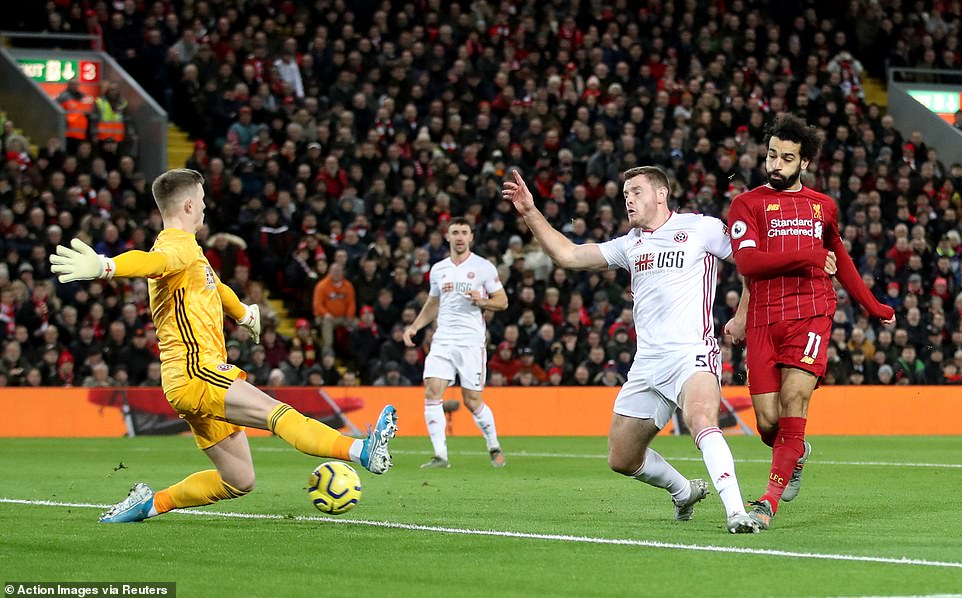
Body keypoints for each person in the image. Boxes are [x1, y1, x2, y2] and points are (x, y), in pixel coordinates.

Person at [49, 168, 397, 523]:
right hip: (197, 369)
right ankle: (362, 451)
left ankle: (149, 503)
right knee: (276, 414)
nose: (204, 207)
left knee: (238, 480)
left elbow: (217, 286)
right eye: (201, 200)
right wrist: (106, 266)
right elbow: (153, 263)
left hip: (185, 381)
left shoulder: (191, 253)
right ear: (187, 204)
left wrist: (245, 314)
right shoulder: (175, 245)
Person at [502, 166, 758, 534]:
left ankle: (736, 512)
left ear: (661, 194)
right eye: (625, 195)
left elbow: (750, 262)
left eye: (636, 192)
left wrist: (743, 315)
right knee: (621, 457)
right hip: (646, 364)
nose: (629, 200)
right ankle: (683, 490)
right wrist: (529, 211)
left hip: (692, 353)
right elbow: (569, 256)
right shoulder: (629, 244)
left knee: (701, 419)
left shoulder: (701, 228)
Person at [725, 114, 896, 530]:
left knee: (794, 401)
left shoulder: (823, 207)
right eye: (771, 155)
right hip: (765, 320)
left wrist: (873, 306)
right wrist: (807, 256)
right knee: (769, 423)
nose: (776, 164)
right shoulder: (746, 204)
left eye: (787, 158)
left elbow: (841, 260)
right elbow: (747, 262)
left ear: (804, 164)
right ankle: (795, 452)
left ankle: (767, 503)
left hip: (811, 313)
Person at [402, 217, 509, 469]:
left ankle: (494, 446)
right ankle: (441, 456)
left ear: (471, 237)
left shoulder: (483, 267)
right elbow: (433, 302)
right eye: (455, 232)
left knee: (472, 400)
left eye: (464, 232)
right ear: (447, 237)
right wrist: (415, 327)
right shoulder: (439, 269)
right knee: (432, 391)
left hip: (471, 342)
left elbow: (502, 302)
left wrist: (482, 301)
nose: (460, 237)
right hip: (443, 340)